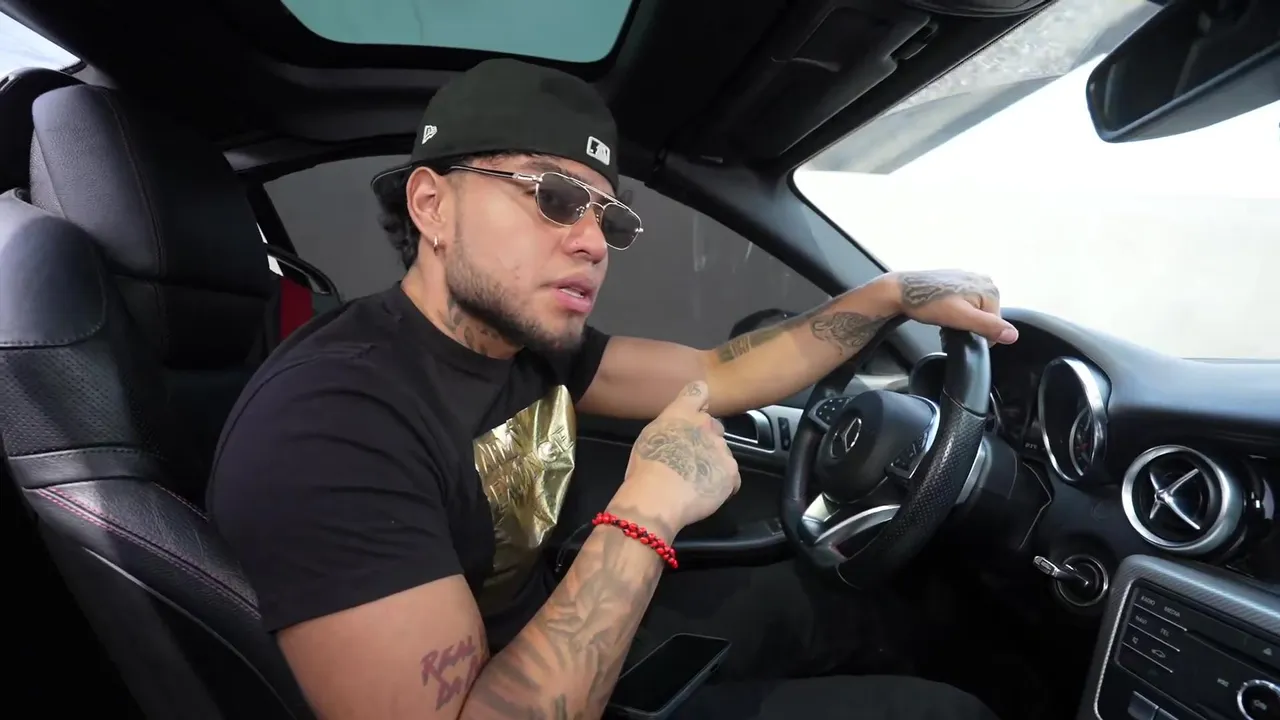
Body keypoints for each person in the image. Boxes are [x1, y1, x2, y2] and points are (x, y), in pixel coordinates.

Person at [207, 57, 1018, 720]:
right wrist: (647, 509)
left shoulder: (523, 344)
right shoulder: (329, 425)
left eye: (608, 218)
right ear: (432, 205)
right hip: (520, 692)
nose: (593, 242)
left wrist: (888, 296)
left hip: (561, 634)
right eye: (554, 198)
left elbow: (720, 372)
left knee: (868, 614)